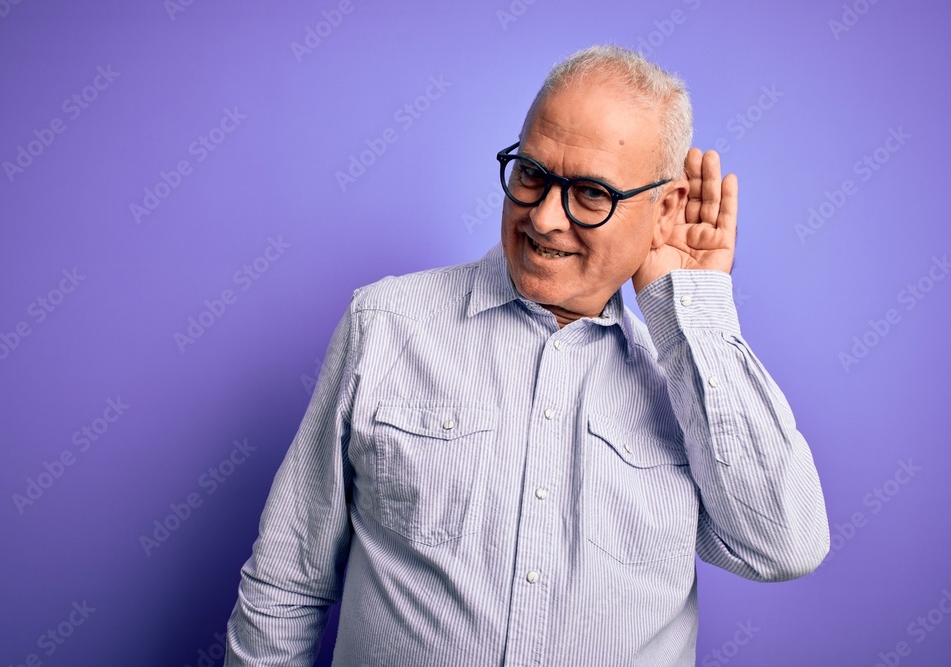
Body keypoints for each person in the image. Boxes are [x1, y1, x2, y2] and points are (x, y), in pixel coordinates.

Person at [223, 44, 829, 666]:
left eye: (590, 193)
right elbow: (285, 583)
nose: (543, 218)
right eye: (532, 174)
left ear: (666, 207)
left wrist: (693, 317)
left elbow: (783, 544)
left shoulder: (685, 378)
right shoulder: (385, 325)